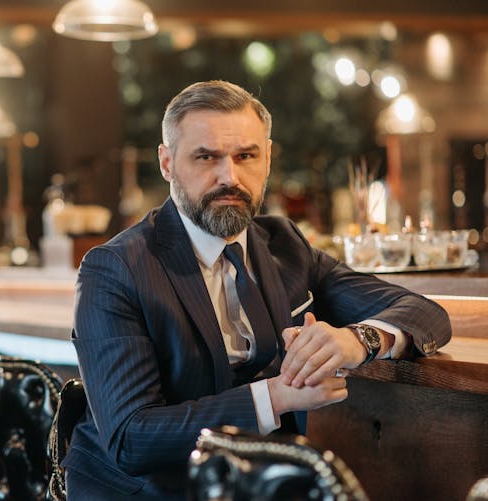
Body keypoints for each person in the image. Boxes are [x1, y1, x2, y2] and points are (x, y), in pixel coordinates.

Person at [64, 80, 451, 500]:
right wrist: (278, 397)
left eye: (245, 156)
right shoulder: (115, 268)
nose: (229, 176)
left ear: (267, 159)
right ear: (167, 163)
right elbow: (131, 438)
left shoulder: (283, 243)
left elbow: (422, 312)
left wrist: (359, 340)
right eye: (206, 157)